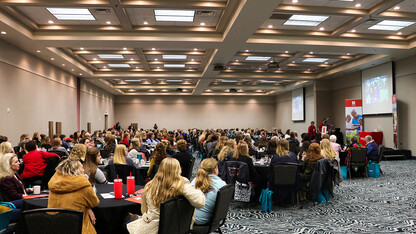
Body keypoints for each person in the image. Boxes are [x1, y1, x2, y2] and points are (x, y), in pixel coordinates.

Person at [127, 158, 205, 234]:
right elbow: (200, 203)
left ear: (160, 169)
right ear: (178, 170)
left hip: (151, 228)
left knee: (124, 223)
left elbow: (144, 211)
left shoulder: (149, 187)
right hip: (176, 227)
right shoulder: (181, 185)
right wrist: (197, 190)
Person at [48, 158, 100, 234]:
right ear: (76, 171)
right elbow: (94, 203)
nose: (84, 170)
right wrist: (88, 207)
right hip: (79, 229)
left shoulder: (55, 185)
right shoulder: (83, 185)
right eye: (82, 167)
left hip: (54, 227)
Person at [191, 158, 226, 225]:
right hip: (207, 221)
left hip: (190, 219)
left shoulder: (194, 181)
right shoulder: (222, 185)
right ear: (215, 170)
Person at [0, 153, 33, 222]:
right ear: (8, 165)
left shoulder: (15, 174)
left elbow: (18, 189)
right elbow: (13, 195)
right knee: (30, 204)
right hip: (11, 204)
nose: (19, 163)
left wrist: (28, 189)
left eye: (18, 161)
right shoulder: (6, 178)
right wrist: (26, 196)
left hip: (20, 200)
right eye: (16, 162)